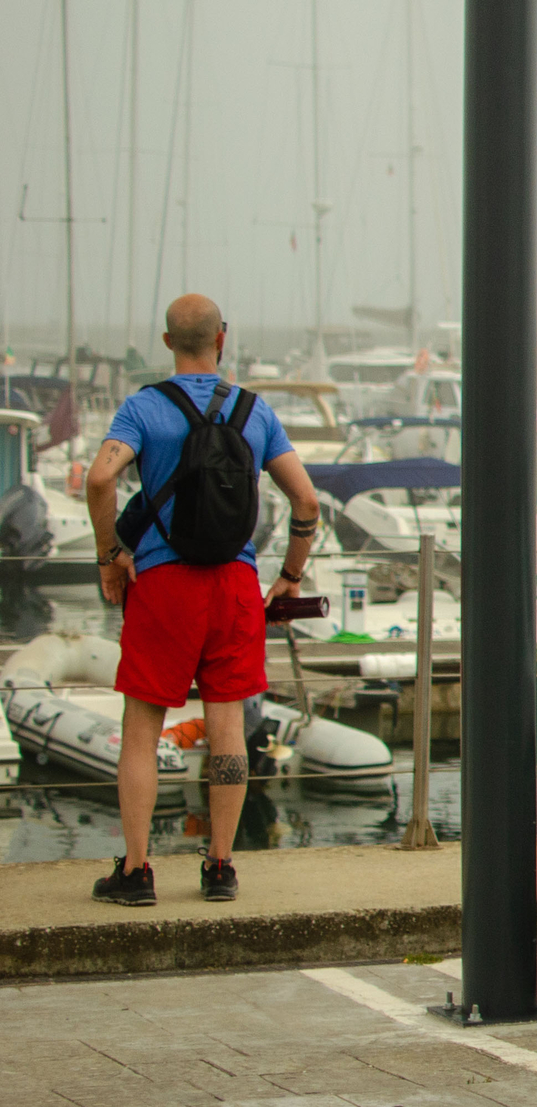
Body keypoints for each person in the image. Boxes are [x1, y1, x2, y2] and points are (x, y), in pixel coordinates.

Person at [82, 294, 322, 905]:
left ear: (167, 343)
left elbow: (101, 479)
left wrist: (112, 555)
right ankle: (220, 866)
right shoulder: (254, 411)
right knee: (228, 729)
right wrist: (290, 576)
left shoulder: (143, 408)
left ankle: (136, 874)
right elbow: (307, 503)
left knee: (142, 730)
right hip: (234, 588)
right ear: (223, 338)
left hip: (163, 586)